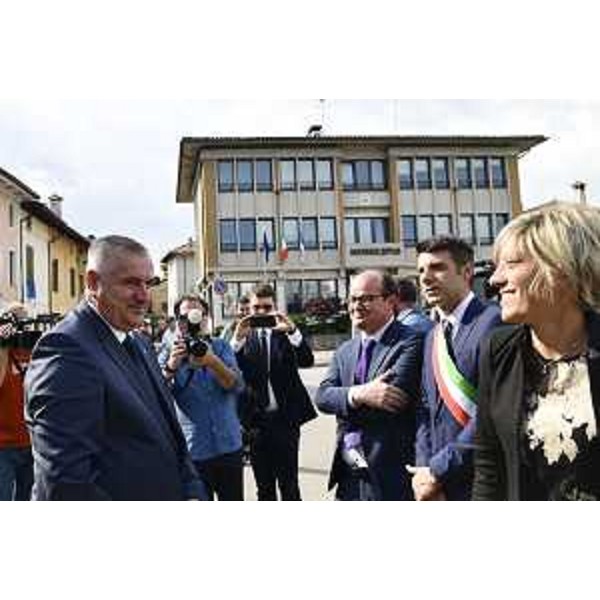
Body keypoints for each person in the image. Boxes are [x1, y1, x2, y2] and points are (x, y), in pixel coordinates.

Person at [25, 235, 207, 501]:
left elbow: (170, 437)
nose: (144, 296)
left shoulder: (138, 342)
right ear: (93, 283)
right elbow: (67, 485)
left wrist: (192, 492)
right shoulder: (65, 350)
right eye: (130, 283)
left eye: (148, 283)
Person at [473, 203, 600, 501]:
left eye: (511, 264)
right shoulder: (498, 350)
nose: (494, 280)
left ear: (562, 268)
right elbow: (489, 465)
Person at [316, 271, 423, 501]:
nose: (356, 306)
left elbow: (389, 400)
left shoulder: (410, 341)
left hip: (389, 473)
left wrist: (343, 401)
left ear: (390, 301)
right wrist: (359, 394)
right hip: (349, 470)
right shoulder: (345, 350)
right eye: (352, 299)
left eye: (365, 298)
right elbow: (322, 397)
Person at [408, 236, 501, 501]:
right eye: (421, 271)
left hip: (482, 480)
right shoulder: (432, 336)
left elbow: (492, 412)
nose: (426, 278)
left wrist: (438, 470)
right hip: (438, 482)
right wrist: (424, 468)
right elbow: (425, 408)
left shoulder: (495, 322)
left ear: (467, 271)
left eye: (437, 268)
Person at [232, 283, 317, 501]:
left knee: (290, 486)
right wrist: (237, 340)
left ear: (275, 308)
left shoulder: (285, 333)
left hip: (285, 421)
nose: (261, 312)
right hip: (256, 424)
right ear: (248, 309)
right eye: (256, 308)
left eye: (267, 307)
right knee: (264, 488)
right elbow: (230, 370)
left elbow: (307, 360)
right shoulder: (243, 336)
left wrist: (293, 331)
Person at [160, 294, 245, 501]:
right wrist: (171, 366)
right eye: (185, 316)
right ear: (177, 321)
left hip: (228, 445)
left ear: (206, 318)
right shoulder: (169, 352)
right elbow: (156, 395)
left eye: (197, 314)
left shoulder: (221, 347)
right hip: (194, 451)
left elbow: (235, 386)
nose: (192, 321)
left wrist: (212, 361)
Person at [0, 303, 34, 501]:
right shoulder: (3, 351)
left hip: (31, 442)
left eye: (23, 322)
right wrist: (3, 346)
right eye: (15, 321)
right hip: (3, 445)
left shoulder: (33, 349)